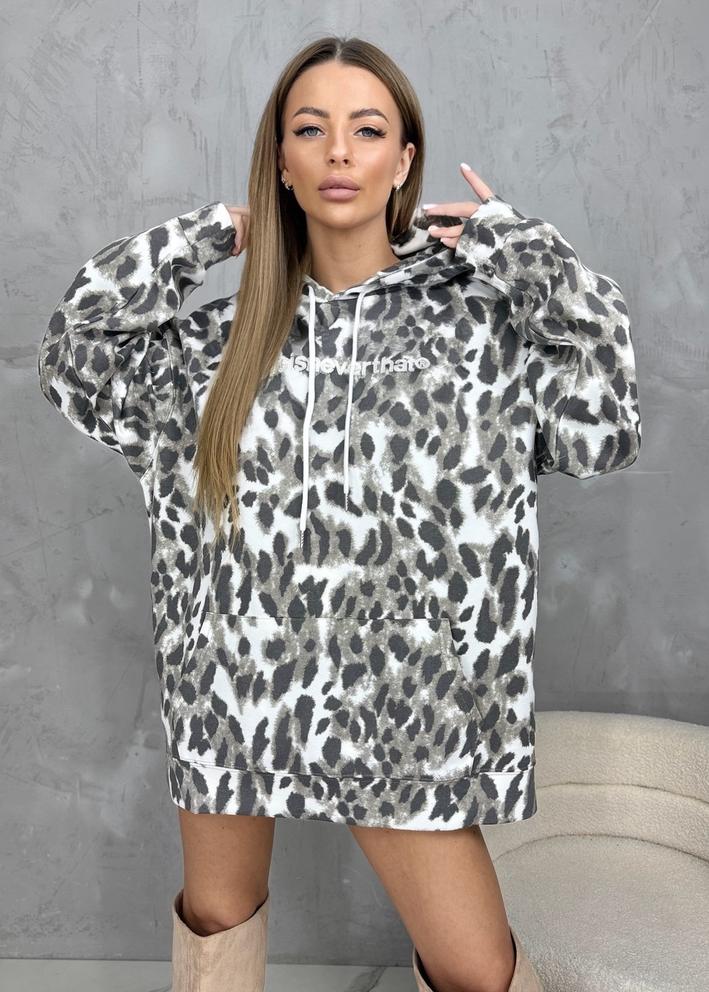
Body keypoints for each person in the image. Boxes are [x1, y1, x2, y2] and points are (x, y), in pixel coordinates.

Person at [37, 34, 641, 992]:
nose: (339, 153)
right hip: (234, 684)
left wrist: (531, 260)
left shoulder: (480, 328)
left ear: (404, 159)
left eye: (367, 130)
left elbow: (602, 430)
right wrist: (210, 235)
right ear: (280, 159)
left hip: (410, 704)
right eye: (310, 130)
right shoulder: (214, 345)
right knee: (216, 916)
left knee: (476, 968)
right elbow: (77, 352)